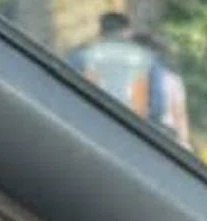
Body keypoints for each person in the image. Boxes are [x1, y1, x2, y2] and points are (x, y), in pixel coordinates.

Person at [66, 13, 189, 144]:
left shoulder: (81, 55)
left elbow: (67, 89)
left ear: (101, 31)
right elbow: (157, 105)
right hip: (133, 129)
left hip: (90, 125)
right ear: (126, 32)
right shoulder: (146, 57)